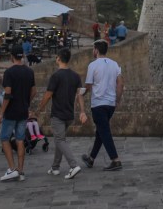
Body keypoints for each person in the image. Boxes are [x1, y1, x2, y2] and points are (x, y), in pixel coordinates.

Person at [38, 47, 87, 179]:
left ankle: (73, 165)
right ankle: (55, 167)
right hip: (69, 115)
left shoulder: (56, 76)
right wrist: (82, 111)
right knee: (59, 140)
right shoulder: (75, 76)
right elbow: (80, 95)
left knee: (60, 140)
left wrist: (38, 110)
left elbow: (48, 95)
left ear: (58, 58)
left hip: (58, 115)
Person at [81, 39, 124, 171]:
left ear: (96, 50)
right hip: (110, 104)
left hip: (98, 104)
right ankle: (91, 158)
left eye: (93, 49)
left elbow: (88, 85)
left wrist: (82, 93)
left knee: (104, 131)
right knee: (101, 131)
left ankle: (115, 160)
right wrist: (117, 99)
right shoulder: (114, 64)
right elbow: (120, 83)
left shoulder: (93, 65)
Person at [0, 44, 34, 182]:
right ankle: (21, 171)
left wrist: (1, 113)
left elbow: (8, 94)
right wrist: (27, 103)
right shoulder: (29, 72)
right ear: (22, 55)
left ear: (11, 57)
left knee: (4, 138)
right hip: (23, 110)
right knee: (20, 140)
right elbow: (34, 91)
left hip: (11, 111)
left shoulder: (9, 72)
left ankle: (12, 169)